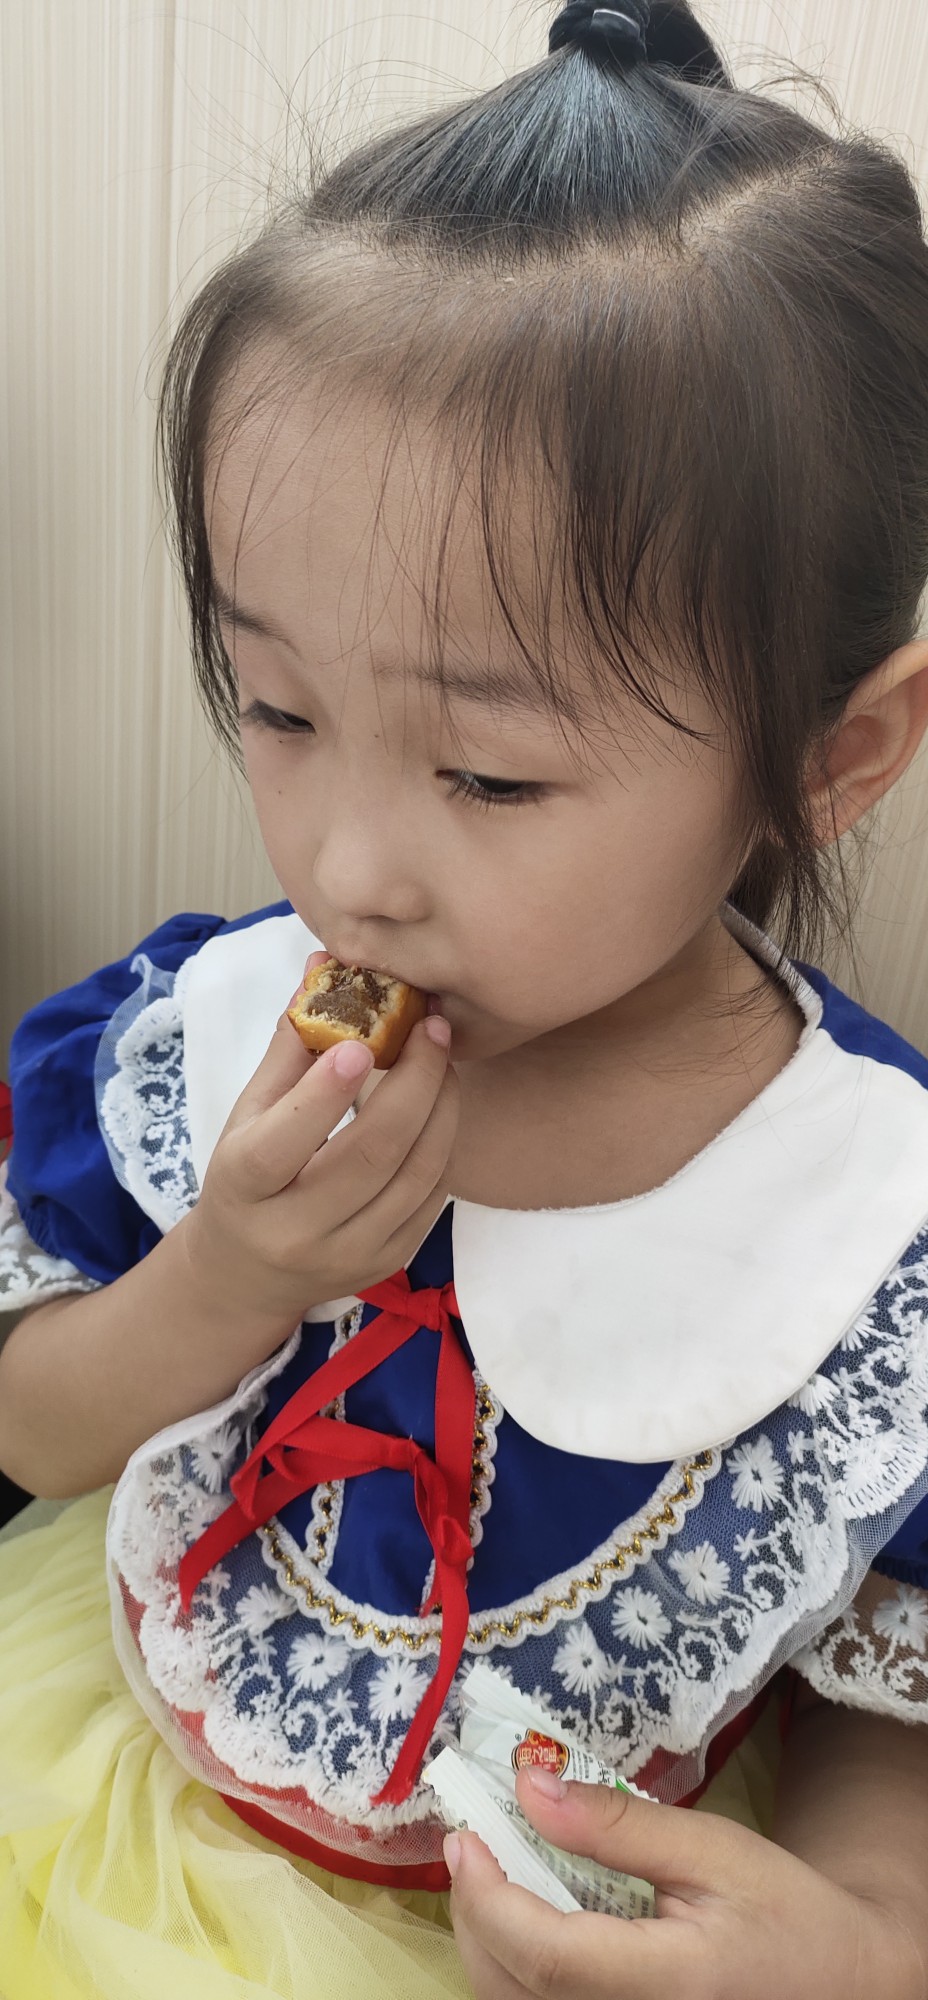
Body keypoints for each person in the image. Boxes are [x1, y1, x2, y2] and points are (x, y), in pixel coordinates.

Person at [2, 0, 928, 1993]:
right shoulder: (200, 1024)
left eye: (490, 776)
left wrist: (868, 1932)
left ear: (830, 757)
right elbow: (34, 1427)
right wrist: (222, 1280)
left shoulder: (868, 1222)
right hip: (100, 1790)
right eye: (277, 706)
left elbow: (882, 1679)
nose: (345, 867)